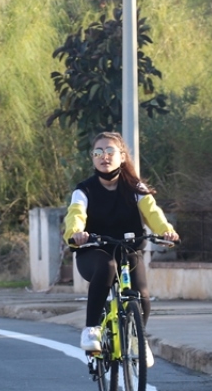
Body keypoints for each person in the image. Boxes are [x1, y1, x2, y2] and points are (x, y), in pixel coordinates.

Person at [63, 132, 178, 365]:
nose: (104, 157)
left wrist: (166, 231)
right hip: (92, 251)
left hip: (128, 248)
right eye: (98, 153)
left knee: (142, 295)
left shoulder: (135, 188)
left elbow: (153, 213)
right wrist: (76, 233)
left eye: (110, 152)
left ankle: (137, 338)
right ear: (93, 158)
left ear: (122, 157)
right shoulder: (83, 190)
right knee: (107, 266)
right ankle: (92, 329)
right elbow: (75, 215)